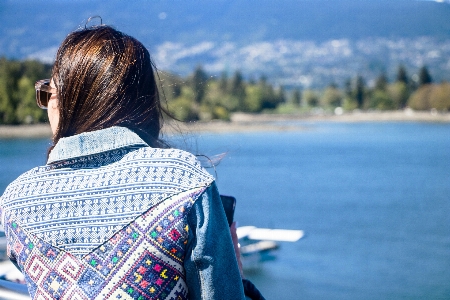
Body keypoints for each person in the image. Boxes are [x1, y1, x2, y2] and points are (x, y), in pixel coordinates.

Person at [0, 24, 245, 300]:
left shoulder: (16, 202)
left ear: (64, 101)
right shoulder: (184, 182)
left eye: (48, 93)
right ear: (144, 103)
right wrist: (239, 277)